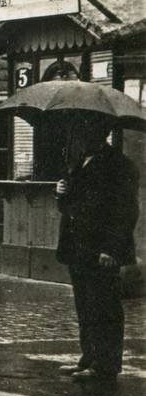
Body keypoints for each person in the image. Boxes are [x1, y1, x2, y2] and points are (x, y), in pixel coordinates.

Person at [55, 118, 139, 379]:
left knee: (105, 307)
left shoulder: (119, 165)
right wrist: (61, 192)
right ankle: (88, 357)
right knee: (86, 305)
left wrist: (111, 249)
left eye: (84, 130)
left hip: (101, 250)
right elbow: (71, 206)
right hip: (78, 247)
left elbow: (126, 211)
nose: (79, 136)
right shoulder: (80, 162)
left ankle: (105, 365)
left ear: (100, 133)